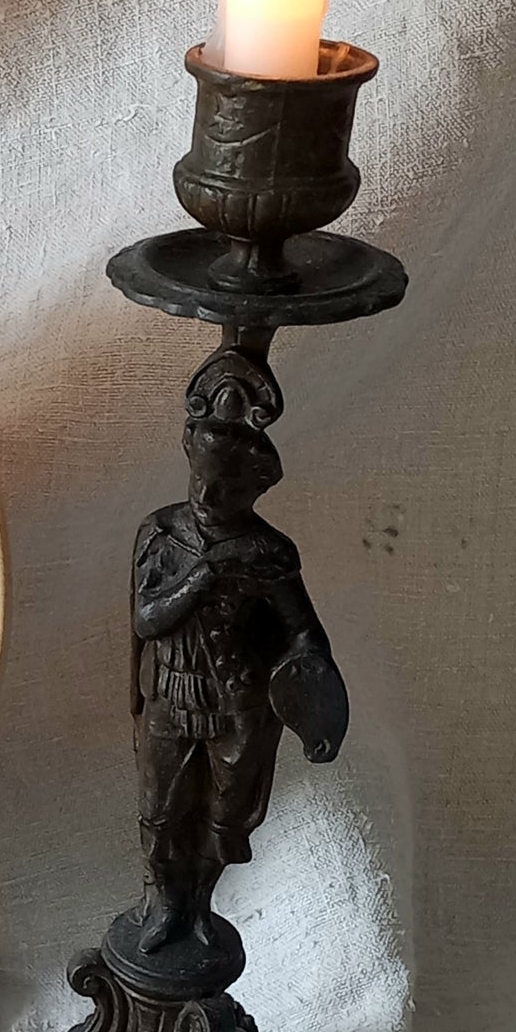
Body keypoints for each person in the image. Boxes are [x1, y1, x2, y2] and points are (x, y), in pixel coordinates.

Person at [131, 396, 348, 952]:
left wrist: (308, 681)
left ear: (254, 490)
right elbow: (146, 618)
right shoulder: (160, 534)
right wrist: (200, 577)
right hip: (171, 695)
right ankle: (164, 902)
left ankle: (200, 903)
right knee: (159, 811)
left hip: (239, 704)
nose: (207, 497)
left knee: (227, 816)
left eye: (227, 488)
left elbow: (303, 630)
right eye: (201, 480)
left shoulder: (269, 553)